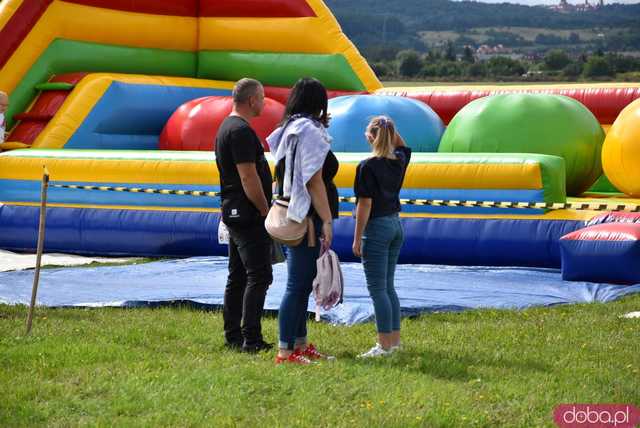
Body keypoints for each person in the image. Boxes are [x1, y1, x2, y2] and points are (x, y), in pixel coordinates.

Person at [267, 78, 339, 365]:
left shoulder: (289, 128)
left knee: (302, 282)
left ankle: (299, 343)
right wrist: (327, 220)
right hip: (304, 219)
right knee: (297, 285)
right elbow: (313, 180)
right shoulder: (308, 131)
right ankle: (286, 350)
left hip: (291, 213)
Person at [215, 78, 274, 353]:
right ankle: (251, 338)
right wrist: (265, 210)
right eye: (261, 98)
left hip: (234, 211)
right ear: (252, 100)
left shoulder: (227, 127)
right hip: (248, 214)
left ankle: (233, 335)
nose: (263, 103)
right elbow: (248, 176)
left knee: (238, 275)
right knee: (259, 275)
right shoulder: (240, 131)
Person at [352, 116, 411, 358]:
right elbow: (404, 145)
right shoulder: (399, 161)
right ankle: (394, 342)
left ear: (369, 137)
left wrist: (357, 238)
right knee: (388, 286)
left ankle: (384, 345)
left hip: (376, 227)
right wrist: (387, 126)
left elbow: (364, 205)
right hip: (395, 224)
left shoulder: (367, 166)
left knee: (377, 289)